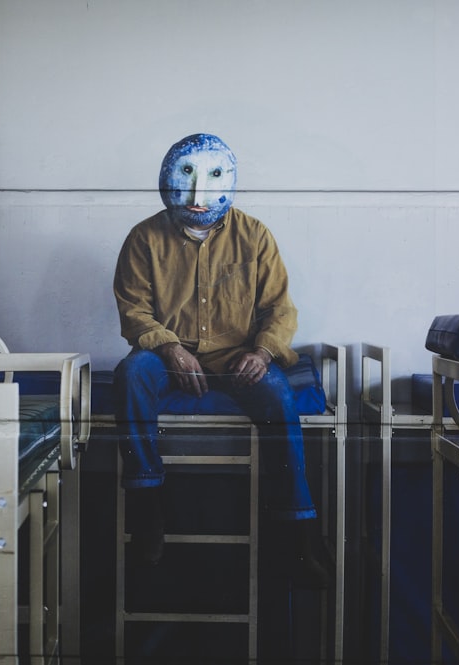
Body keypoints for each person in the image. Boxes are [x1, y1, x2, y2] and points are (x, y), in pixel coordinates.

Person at [112, 133, 327, 586]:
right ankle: (147, 508)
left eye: (211, 178)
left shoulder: (255, 235)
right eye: (185, 176)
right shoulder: (143, 238)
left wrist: (263, 351)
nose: (196, 195)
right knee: (131, 373)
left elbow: (280, 309)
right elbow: (134, 311)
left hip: (238, 356)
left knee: (276, 392)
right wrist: (169, 346)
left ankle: (299, 525)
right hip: (169, 352)